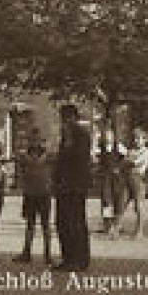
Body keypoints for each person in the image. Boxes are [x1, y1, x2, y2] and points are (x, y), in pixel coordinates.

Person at [52, 104, 92, 272]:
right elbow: (61, 160)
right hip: (63, 186)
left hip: (75, 186)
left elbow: (78, 158)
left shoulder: (81, 134)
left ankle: (79, 259)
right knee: (62, 223)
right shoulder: (66, 135)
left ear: (74, 117)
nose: (64, 121)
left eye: (67, 118)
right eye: (63, 118)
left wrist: (67, 142)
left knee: (75, 222)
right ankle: (68, 258)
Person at [13, 130, 54, 265]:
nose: (35, 142)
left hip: (44, 193)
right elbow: (20, 173)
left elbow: (53, 171)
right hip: (30, 194)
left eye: (37, 139)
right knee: (30, 224)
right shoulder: (24, 156)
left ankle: (47, 253)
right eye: (32, 139)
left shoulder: (48, 156)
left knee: (45, 224)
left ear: (41, 141)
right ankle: (27, 252)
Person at [96, 127, 127, 239]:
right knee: (106, 201)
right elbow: (96, 160)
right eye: (106, 136)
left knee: (117, 200)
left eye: (110, 135)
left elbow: (126, 158)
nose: (108, 138)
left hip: (117, 178)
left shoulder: (119, 147)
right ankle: (107, 225)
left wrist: (119, 167)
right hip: (105, 178)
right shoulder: (101, 148)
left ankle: (117, 225)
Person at [123, 127, 148, 239]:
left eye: (139, 138)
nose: (136, 141)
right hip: (128, 179)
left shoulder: (146, 151)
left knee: (138, 206)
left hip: (139, 179)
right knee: (123, 203)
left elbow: (135, 162)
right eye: (135, 138)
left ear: (144, 140)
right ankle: (115, 227)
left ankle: (139, 230)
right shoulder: (131, 150)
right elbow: (124, 163)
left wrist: (128, 159)